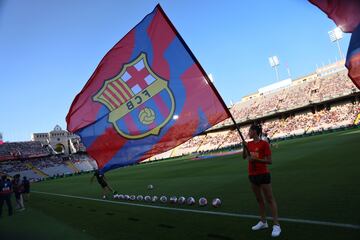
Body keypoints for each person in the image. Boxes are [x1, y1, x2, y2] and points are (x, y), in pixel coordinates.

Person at [243, 123, 281, 237]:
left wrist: (257, 160)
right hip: (252, 175)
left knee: (269, 199)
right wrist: (244, 148)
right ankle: (263, 222)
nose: (248, 133)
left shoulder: (264, 144)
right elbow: (244, 157)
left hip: (263, 174)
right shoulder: (248, 144)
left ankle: (276, 225)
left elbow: (269, 161)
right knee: (259, 199)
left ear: (254, 131)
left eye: (250, 131)